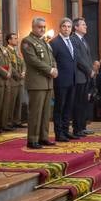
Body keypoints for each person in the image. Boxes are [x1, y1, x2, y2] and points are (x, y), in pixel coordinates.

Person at [22, 17, 57, 148]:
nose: (42, 29)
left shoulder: (45, 42)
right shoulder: (27, 41)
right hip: (37, 82)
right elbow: (33, 60)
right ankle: (32, 139)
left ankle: (44, 137)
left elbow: (52, 58)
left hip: (47, 82)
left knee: (46, 112)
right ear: (33, 27)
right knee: (36, 112)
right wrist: (50, 70)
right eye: (40, 27)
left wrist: (55, 68)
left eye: (44, 27)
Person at [51, 18, 78, 141]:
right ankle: (59, 133)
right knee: (59, 108)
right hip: (60, 80)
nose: (66, 29)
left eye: (68, 26)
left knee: (69, 107)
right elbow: (52, 61)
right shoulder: (54, 42)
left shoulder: (72, 41)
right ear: (60, 28)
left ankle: (66, 131)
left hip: (72, 80)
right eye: (64, 26)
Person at [72, 18, 94, 136]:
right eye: (83, 25)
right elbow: (78, 59)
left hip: (86, 76)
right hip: (79, 76)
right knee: (78, 103)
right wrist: (89, 70)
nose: (86, 26)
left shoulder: (83, 40)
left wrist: (90, 70)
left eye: (85, 24)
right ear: (76, 27)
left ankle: (83, 126)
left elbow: (87, 58)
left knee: (84, 103)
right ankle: (77, 129)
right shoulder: (73, 39)